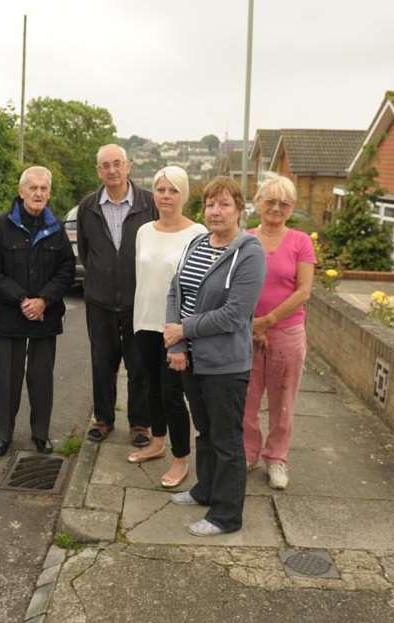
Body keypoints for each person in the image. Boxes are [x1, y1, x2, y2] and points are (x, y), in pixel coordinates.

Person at [164, 176, 265, 537]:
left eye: (224, 204)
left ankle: (226, 515)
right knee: (204, 431)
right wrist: (176, 343)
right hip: (192, 357)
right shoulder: (197, 242)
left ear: (239, 209)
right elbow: (176, 291)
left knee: (226, 439)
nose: (216, 211)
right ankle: (205, 490)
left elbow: (235, 315)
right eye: (210, 204)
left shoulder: (249, 253)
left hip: (225, 364)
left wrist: (183, 330)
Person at [0, 166, 76, 456]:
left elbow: (66, 270)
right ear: (21, 192)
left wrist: (43, 300)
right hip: (7, 318)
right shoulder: (0, 226)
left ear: (49, 192)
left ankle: (41, 434)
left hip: (44, 318)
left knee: (41, 379)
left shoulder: (56, 228)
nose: (38, 193)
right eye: (32, 188)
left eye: (44, 188)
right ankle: (3, 435)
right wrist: (22, 299)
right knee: (7, 381)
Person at [129, 166, 207, 488]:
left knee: (173, 393)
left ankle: (180, 458)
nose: (166, 196)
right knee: (150, 388)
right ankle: (157, 441)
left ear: (183, 194)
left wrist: (185, 332)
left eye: (173, 190)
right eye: (160, 189)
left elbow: (198, 286)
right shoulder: (144, 231)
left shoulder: (197, 233)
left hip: (175, 327)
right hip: (144, 321)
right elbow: (141, 277)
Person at [77, 144, 155, 447]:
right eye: (105, 165)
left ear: (128, 166)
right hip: (100, 301)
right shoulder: (88, 206)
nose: (112, 170)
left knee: (139, 364)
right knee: (102, 362)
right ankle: (103, 419)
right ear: (99, 171)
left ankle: (139, 424)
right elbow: (86, 252)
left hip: (139, 301)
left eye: (117, 164)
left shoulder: (149, 204)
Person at [243, 173, 315, 490]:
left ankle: (277, 459)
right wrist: (251, 324)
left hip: (286, 332)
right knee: (246, 398)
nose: (276, 207)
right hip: (244, 332)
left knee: (283, 399)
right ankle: (247, 453)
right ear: (257, 201)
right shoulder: (243, 238)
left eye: (284, 203)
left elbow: (304, 291)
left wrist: (267, 321)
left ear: (292, 208)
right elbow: (234, 286)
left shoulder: (300, 241)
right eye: (270, 201)